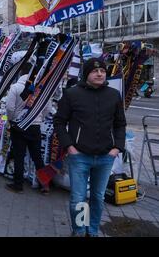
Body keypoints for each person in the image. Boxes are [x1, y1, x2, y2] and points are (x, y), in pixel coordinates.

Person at [54, 58, 126, 237]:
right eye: (95, 71)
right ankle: (79, 231)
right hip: (79, 156)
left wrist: (117, 148)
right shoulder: (72, 94)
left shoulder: (113, 95)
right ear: (87, 74)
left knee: (97, 198)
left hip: (105, 157)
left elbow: (120, 124)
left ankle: (92, 231)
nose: (100, 74)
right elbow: (60, 122)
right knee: (79, 199)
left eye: (102, 70)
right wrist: (69, 146)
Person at [5, 63, 51, 194]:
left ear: (21, 73)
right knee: (37, 156)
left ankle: (18, 185)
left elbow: (9, 107)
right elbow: (47, 108)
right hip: (35, 126)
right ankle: (45, 185)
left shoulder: (16, 87)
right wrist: (39, 118)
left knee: (19, 155)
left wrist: (12, 119)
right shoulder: (41, 88)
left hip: (18, 126)